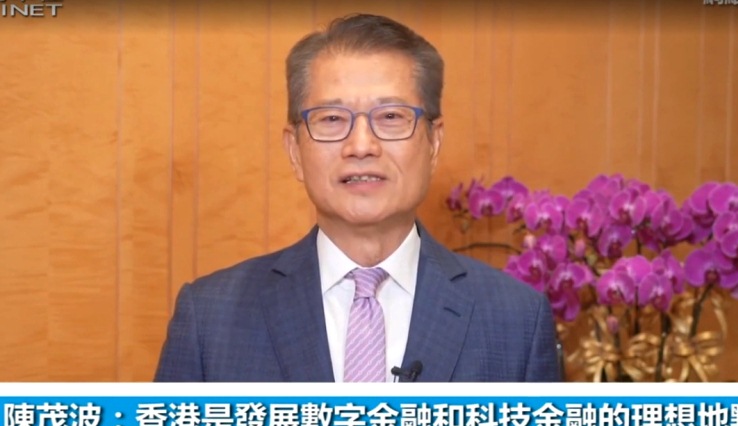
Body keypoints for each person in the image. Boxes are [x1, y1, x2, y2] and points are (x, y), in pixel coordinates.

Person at [155, 13, 561, 385]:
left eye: (391, 117)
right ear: (295, 151)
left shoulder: (516, 321)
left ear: (434, 143)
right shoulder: (210, 319)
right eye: (332, 119)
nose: (362, 145)